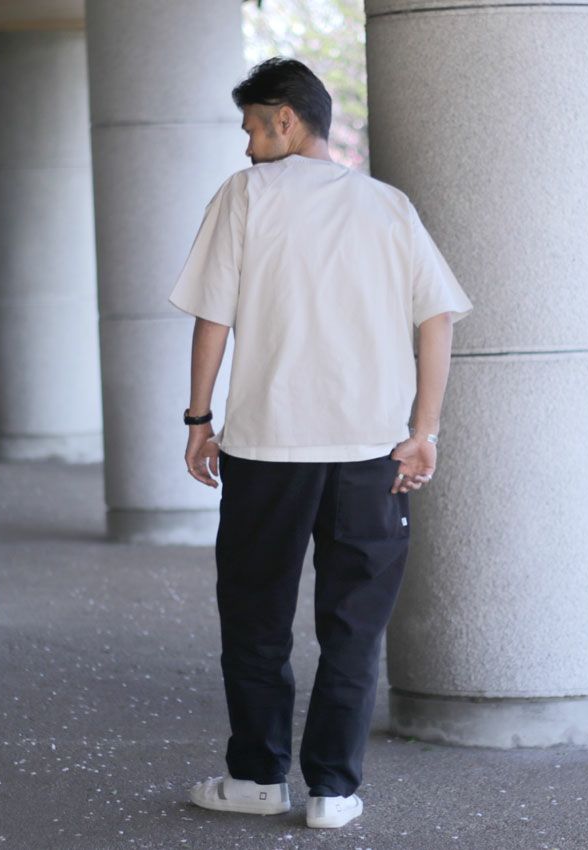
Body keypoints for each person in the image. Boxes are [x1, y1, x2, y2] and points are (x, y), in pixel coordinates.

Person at [168, 56, 473, 830]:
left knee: (256, 620)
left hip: (268, 450)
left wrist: (198, 419)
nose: (246, 146)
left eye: (251, 128)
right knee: (354, 627)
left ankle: (257, 779)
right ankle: (333, 792)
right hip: (372, 453)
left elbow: (213, 317)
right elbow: (436, 319)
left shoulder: (246, 196)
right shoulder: (389, 206)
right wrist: (424, 431)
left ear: (285, 118)